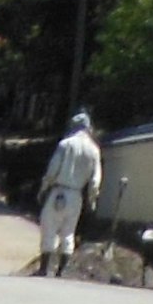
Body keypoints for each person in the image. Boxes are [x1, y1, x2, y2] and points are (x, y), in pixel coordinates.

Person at [38, 109, 104, 275]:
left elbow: (52, 170)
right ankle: (61, 270)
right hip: (77, 195)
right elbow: (95, 179)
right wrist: (91, 199)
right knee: (69, 231)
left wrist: (44, 188)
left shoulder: (65, 144)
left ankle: (44, 268)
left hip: (59, 191)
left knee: (50, 228)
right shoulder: (94, 150)